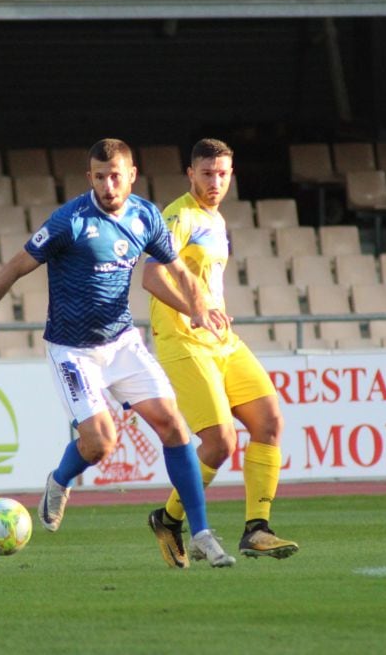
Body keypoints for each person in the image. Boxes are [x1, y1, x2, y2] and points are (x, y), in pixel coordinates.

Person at [0, 138, 236, 568]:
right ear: (90, 178)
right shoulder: (71, 221)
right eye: (100, 177)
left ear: (132, 175)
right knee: (100, 444)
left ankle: (203, 533)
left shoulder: (146, 216)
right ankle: (60, 480)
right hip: (73, 350)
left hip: (122, 342)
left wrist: (199, 308)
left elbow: (179, 271)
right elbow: (12, 270)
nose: (108, 185)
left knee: (174, 426)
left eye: (116, 176)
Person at [142, 138, 299, 568]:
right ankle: (169, 519)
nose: (215, 182)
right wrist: (194, 310)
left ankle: (257, 529)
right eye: (207, 174)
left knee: (268, 422)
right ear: (190, 174)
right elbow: (152, 279)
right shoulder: (178, 216)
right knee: (220, 441)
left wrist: (210, 312)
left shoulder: (215, 217)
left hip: (220, 339)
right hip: (183, 340)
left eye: (223, 174)